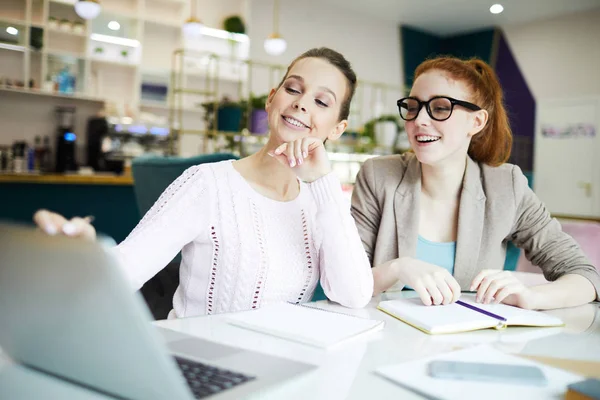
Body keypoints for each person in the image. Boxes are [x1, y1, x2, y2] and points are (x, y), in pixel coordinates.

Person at [34, 47, 374, 318]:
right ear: (272, 99)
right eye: (293, 89)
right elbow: (126, 269)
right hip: (199, 367)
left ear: (336, 129)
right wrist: (86, 251)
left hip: (280, 371)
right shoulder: (208, 184)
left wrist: (323, 183)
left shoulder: (323, 203)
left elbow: (354, 295)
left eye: (321, 101)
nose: (301, 103)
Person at [351, 56, 600, 310]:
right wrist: (397, 267)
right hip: (384, 340)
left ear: (477, 121)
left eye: (439, 108)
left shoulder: (506, 186)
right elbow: (344, 281)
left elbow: (585, 275)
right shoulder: (378, 176)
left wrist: (532, 297)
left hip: (468, 344)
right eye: (413, 107)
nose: (419, 120)